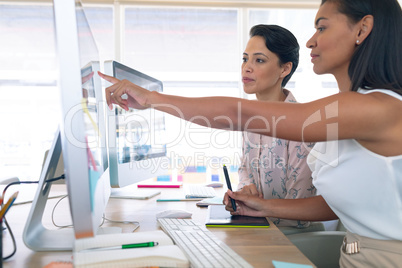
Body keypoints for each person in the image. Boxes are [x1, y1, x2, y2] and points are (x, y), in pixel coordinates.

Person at [98, 0, 402, 266]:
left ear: (362, 30)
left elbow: (239, 114)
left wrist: (152, 99)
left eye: (321, 28)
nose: (311, 41)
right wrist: (263, 206)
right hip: (353, 254)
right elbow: (338, 203)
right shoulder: (350, 110)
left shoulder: (377, 107)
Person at [236, 24, 318, 229]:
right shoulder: (250, 120)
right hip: (260, 226)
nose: (247, 67)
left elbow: (298, 210)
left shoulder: (301, 125)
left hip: (294, 235)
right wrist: (243, 193)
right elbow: (244, 171)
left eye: (259, 60)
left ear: (285, 68)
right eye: (245, 59)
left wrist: (256, 208)